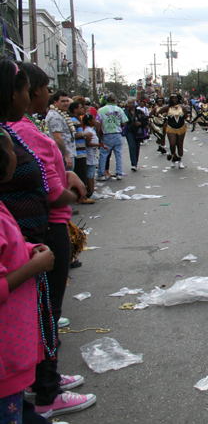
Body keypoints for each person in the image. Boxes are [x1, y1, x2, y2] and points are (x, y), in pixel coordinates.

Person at [7, 62, 95, 417]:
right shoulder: (16, 132)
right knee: (47, 310)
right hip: (45, 228)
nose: (38, 95)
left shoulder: (24, 128)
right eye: (34, 88)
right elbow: (48, 189)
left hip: (44, 227)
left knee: (46, 309)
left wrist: (69, 175)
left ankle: (44, 378)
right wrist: (73, 193)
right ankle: (46, 389)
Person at [0, 125, 56, 424]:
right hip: (6, 359)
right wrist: (33, 266)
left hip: (13, 356)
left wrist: (29, 248)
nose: (18, 156)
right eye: (12, 150)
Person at [96, 94, 126, 181]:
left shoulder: (101, 110)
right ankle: (119, 173)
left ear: (106, 101)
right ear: (114, 100)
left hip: (106, 135)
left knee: (103, 155)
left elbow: (98, 123)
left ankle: (101, 174)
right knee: (118, 155)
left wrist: (99, 134)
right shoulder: (119, 109)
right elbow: (124, 121)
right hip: (117, 134)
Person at [45, 91, 76, 171]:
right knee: (66, 181)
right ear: (55, 102)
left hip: (69, 152)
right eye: (62, 101)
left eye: (67, 101)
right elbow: (58, 138)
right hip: (63, 155)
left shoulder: (61, 114)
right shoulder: (55, 116)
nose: (66, 103)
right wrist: (66, 155)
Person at [158, 94, 190, 169]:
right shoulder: (167, 107)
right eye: (173, 98)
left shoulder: (182, 107)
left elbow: (186, 116)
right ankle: (173, 157)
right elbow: (158, 113)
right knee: (172, 144)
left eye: (176, 98)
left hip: (181, 127)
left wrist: (189, 120)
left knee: (180, 144)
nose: (174, 100)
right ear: (170, 99)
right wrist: (163, 117)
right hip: (171, 128)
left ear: (178, 99)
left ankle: (180, 161)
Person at [123, 98, 147, 172]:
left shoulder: (139, 112)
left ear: (134, 104)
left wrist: (141, 123)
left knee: (137, 147)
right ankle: (133, 164)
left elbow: (146, 121)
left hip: (138, 131)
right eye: (129, 103)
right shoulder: (125, 113)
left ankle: (135, 162)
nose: (130, 104)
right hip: (129, 131)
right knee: (132, 146)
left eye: (132, 103)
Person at [82, 114, 100, 200]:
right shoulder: (88, 131)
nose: (95, 121)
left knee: (92, 173)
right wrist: (99, 144)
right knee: (90, 174)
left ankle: (92, 190)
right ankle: (91, 191)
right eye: (93, 119)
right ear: (89, 121)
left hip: (92, 154)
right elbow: (88, 144)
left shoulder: (91, 130)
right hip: (89, 154)